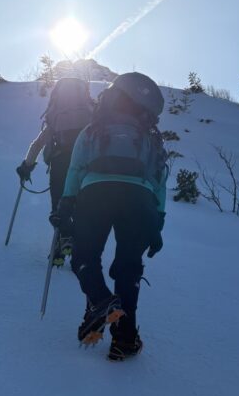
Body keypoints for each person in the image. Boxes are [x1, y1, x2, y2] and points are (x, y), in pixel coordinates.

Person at [50, 72, 168, 360]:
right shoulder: (149, 137)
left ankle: (101, 302)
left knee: (84, 258)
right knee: (129, 268)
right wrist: (158, 220)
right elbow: (159, 179)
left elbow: (76, 168)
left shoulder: (93, 129)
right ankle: (125, 340)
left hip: (95, 194)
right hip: (140, 200)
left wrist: (66, 202)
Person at [16, 77, 94, 265]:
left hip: (60, 163)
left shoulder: (56, 113)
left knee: (59, 207)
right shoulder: (90, 111)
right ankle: (79, 250)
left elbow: (38, 144)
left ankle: (61, 247)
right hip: (85, 166)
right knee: (80, 207)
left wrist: (27, 166)